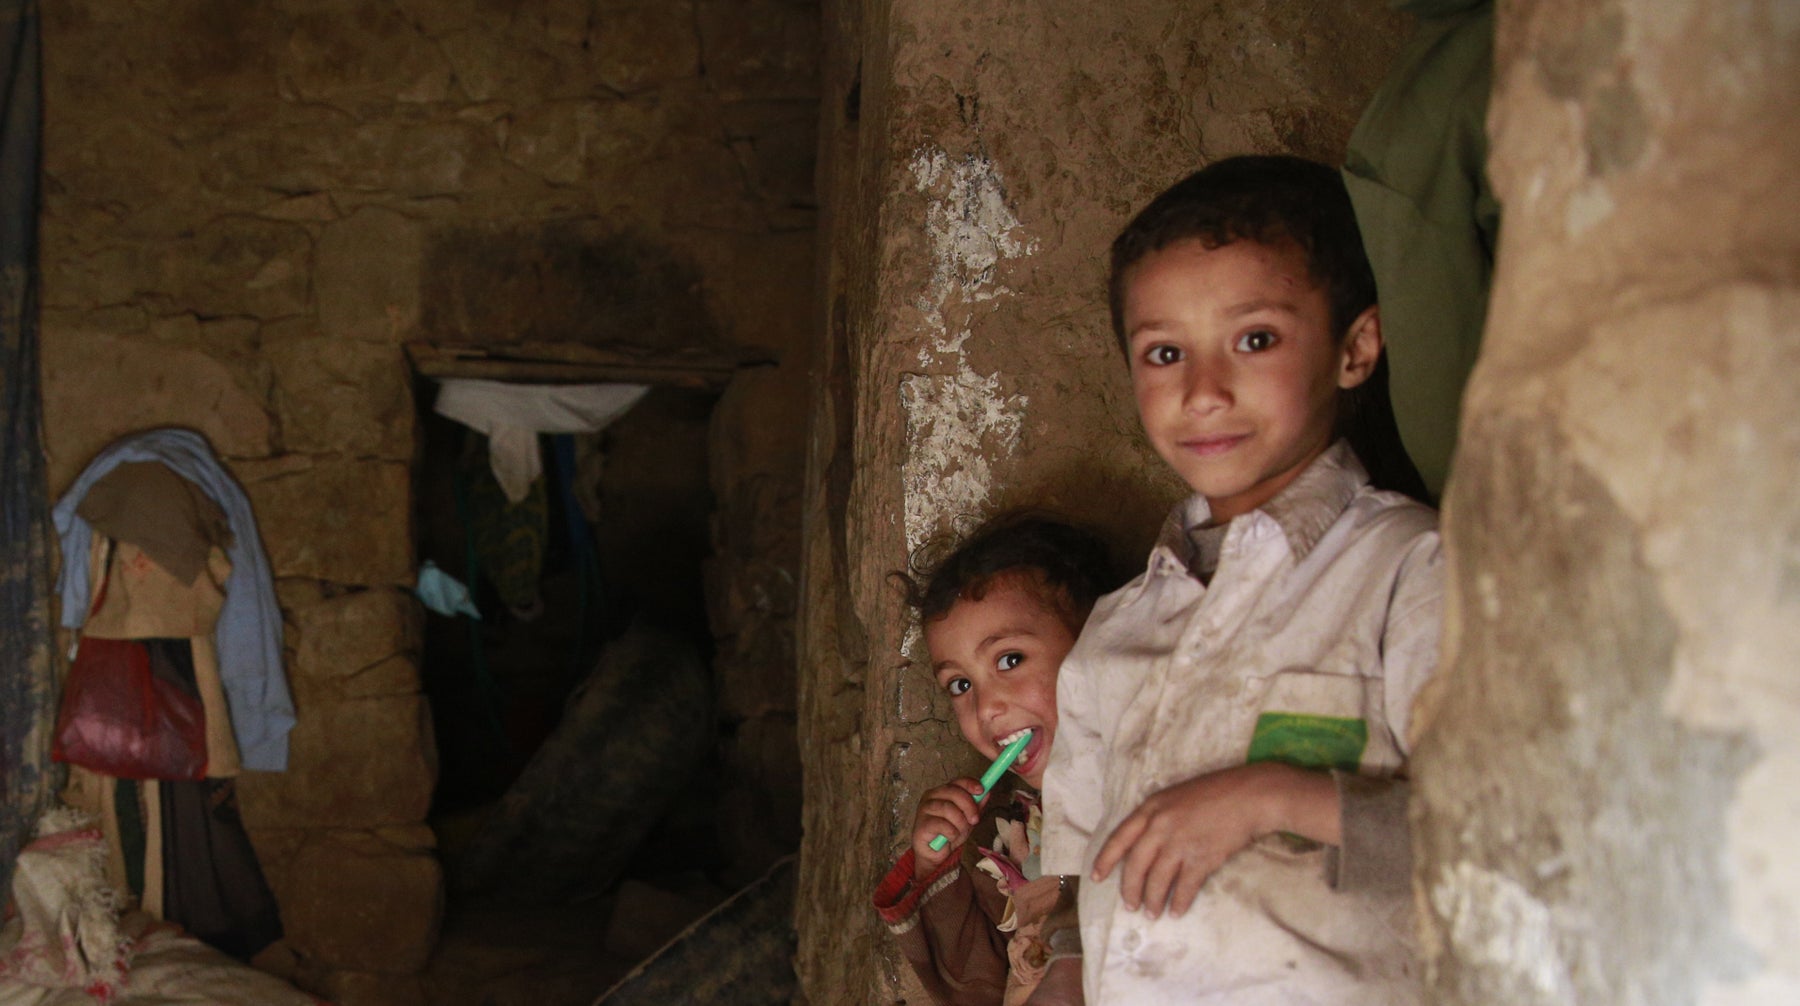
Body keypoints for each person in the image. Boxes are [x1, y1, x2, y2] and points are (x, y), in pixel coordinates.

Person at [1039, 154, 1442, 1004]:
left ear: (1355, 347)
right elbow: (1080, 871)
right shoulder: (1114, 629)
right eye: (1163, 352)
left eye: (1254, 340)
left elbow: (1513, 841)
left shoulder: (1411, 569)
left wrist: (1273, 799)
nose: (1203, 391)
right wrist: (1063, 974)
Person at [872, 513, 1123, 1006]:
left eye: (1009, 660)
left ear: (1098, 643)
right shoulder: (1016, 835)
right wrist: (934, 866)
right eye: (961, 686)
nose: (986, 709)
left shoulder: (1154, 797)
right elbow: (978, 989)